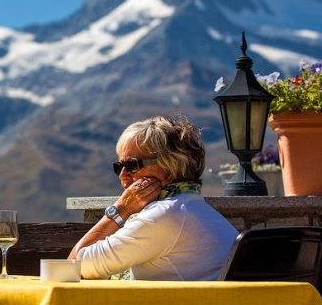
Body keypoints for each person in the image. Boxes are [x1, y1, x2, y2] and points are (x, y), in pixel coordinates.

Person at [69, 115, 238, 280]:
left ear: (170, 166)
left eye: (132, 165)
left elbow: (74, 266)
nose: (122, 175)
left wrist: (121, 209)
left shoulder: (166, 215)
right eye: (119, 166)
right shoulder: (190, 207)